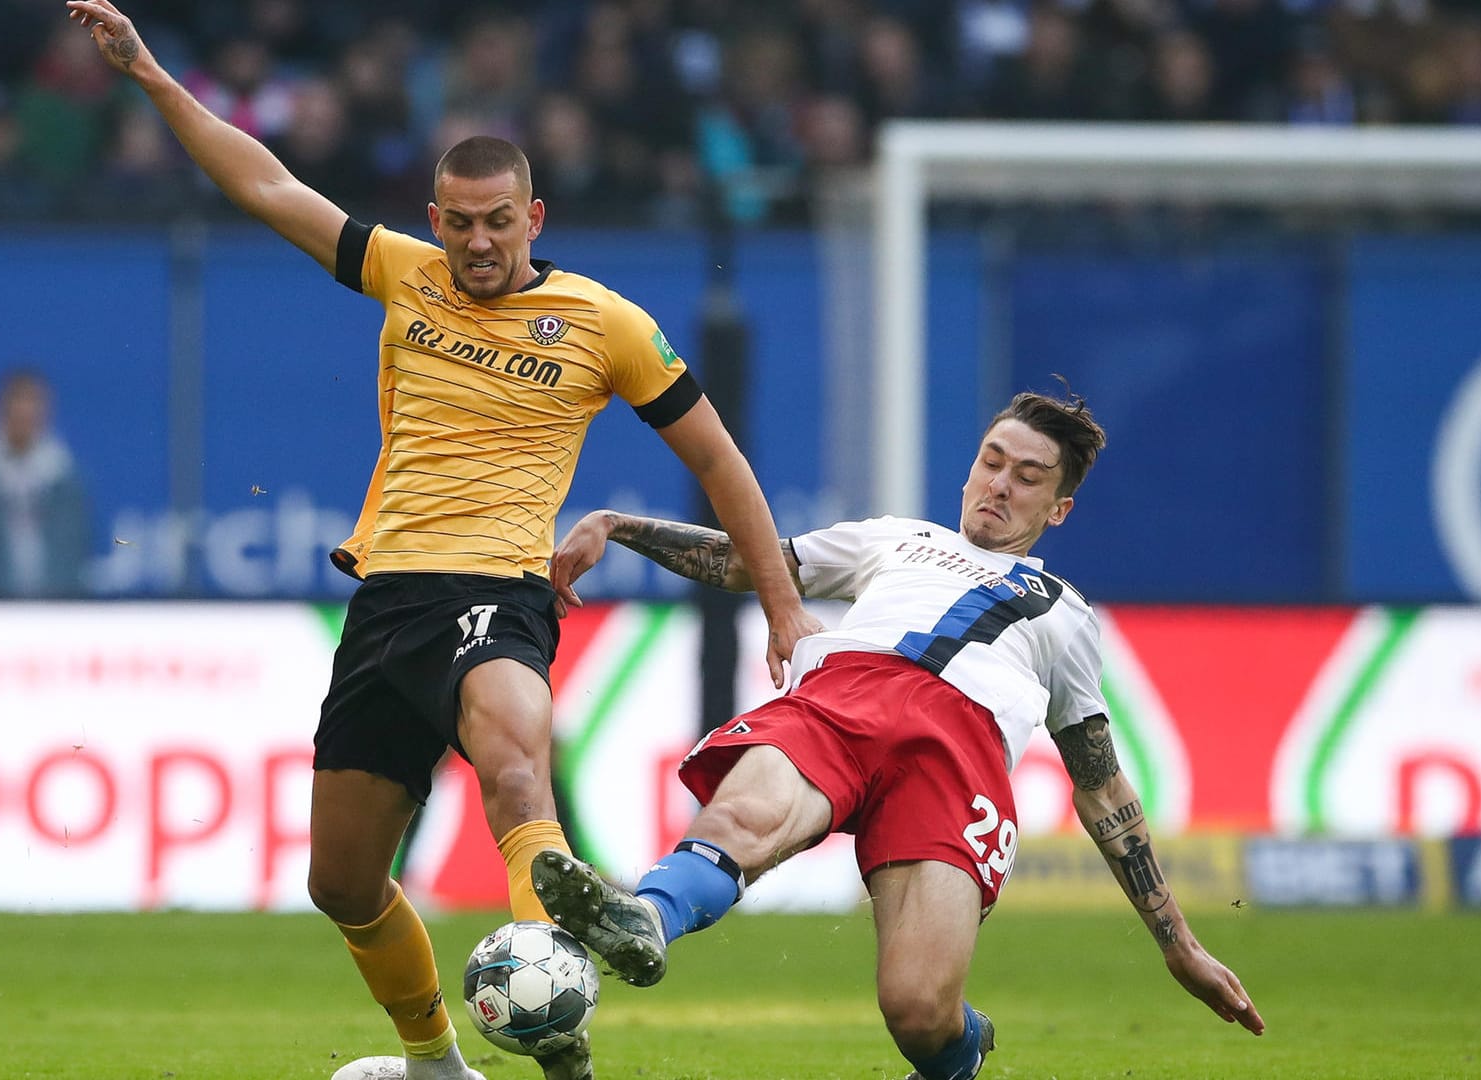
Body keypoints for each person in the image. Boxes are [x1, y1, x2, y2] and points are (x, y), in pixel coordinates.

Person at [67, 4, 820, 1080]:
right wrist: (147, 72)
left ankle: (558, 1017)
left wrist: (782, 603)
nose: (476, 243)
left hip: (498, 589)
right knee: (343, 882)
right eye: (459, 222)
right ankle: (435, 1063)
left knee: (515, 768)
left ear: (533, 215)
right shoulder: (401, 272)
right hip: (387, 604)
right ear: (436, 217)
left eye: (497, 223)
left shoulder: (605, 324)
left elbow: (721, 462)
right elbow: (266, 184)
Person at [536, 390, 1264, 1080]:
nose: (999, 484)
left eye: (1028, 476)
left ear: (1060, 508)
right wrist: (618, 525)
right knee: (744, 816)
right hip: (844, 697)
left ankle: (962, 1049)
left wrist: (1181, 946)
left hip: (955, 759)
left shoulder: (1064, 615)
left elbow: (1101, 787)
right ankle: (646, 920)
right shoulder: (897, 539)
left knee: (918, 1012)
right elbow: (746, 562)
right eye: (991, 461)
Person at [0, 368, 93, 598]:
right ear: (1, 410)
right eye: (17, 408)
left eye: (32, 410)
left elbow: (73, 550)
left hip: (52, 609)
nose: (24, 417)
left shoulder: (65, 478)